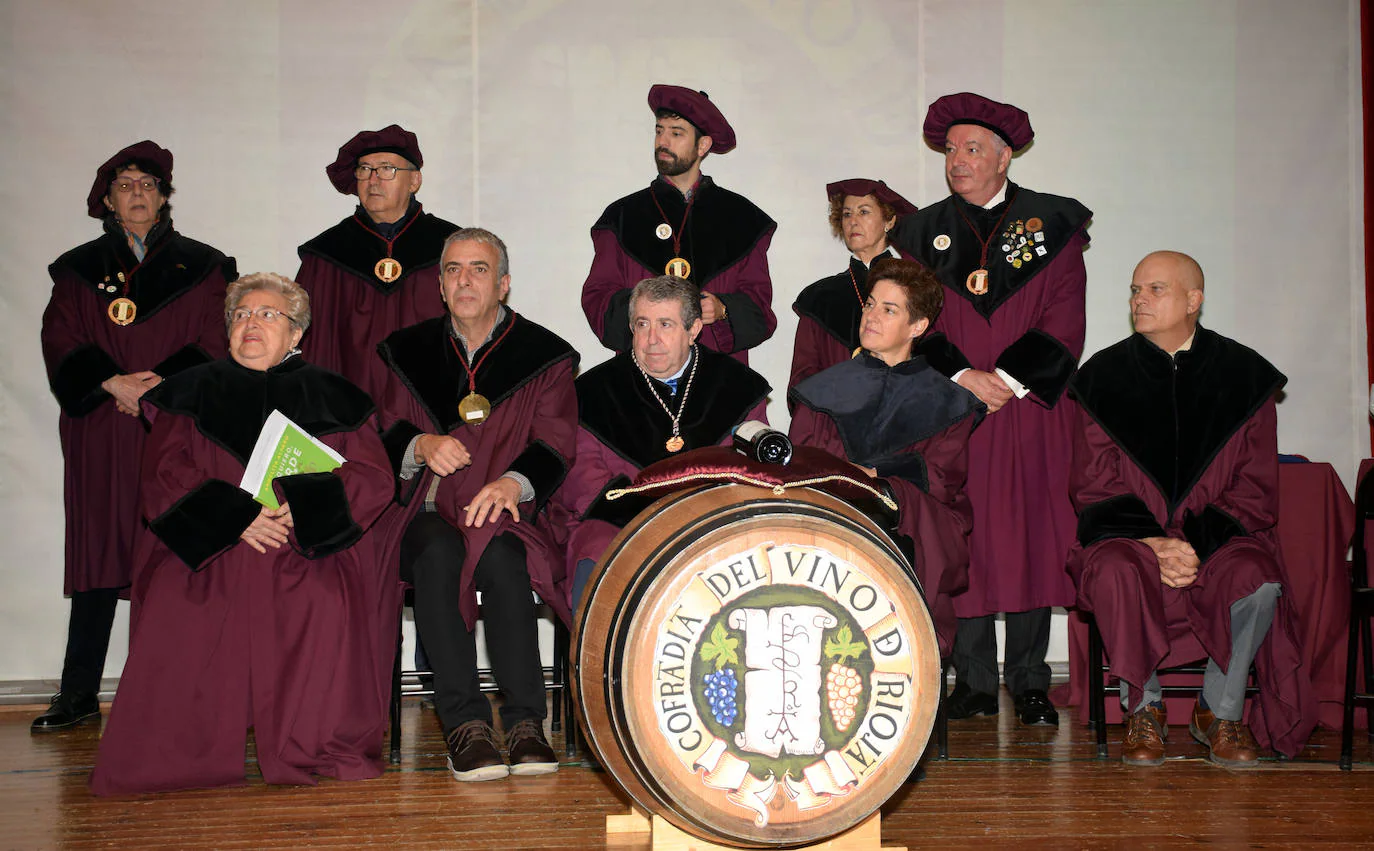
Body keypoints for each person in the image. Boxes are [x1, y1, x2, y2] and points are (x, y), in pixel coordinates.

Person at [89, 273, 397, 794]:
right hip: (212, 546)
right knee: (178, 598)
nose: (250, 322)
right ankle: (181, 753)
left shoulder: (335, 396)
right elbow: (164, 474)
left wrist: (300, 508)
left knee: (324, 598)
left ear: (297, 333)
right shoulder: (187, 391)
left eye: (267, 314)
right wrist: (235, 517)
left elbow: (373, 478)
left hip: (302, 545)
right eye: (240, 315)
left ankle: (312, 746)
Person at [888, 92, 1092, 726]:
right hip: (954, 406)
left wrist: (1006, 377)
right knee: (964, 530)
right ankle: (973, 680)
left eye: (972, 149)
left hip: (1028, 409)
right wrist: (962, 376)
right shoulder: (920, 233)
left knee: (1031, 532)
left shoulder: (1051, 225)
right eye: (951, 150)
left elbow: (1064, 315)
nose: (957, 161)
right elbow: (914, 318)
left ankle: (1030, 678)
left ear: (1005, 157)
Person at [1066, 251, 1314, 766]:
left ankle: (1220, 713)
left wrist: (1193, 545)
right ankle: (1144, 709)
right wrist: (1154, 543)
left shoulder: (1244, 376)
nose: (1139, 299)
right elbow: (1093, 482)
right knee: (1114, 568)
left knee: (1258, 576)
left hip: (1216, 540)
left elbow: (1254, 486)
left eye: (1155, 289)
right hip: (1131, 538)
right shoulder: (1103, 376)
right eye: (1135, 289)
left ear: (1193, 300)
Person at [37, 141, 235, 732]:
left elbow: (216, 338)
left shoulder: (206, 266)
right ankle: (77, 695)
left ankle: (171, 693)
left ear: (165, 196)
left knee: (172, 554)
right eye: (126, 185)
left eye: (149, 184)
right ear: (107, 200)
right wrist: (110, 382)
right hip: (102, 427)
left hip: (173, 428)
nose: (138, 194)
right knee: (101, 552)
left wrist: (159, 386)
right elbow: (60, 339)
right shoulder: (76, 271)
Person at [371, 228, 578, 782]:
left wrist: (514, 482)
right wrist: (420, 446)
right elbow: (381, 430)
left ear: (503, 283)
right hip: (425, 512)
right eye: (453, 270)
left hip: (500, 512)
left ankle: (526, 721)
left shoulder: (546, 355)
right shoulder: (405, 353)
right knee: (438, 557)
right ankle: (464, 724)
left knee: (504, 562)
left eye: (479, 269)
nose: (465, 280)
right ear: (440, 285)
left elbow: (556, 441)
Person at [789, 259, 984, 656]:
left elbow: (941, 476)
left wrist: (876, 475)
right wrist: (854, 482)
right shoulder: (821, 390)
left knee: (913, 520)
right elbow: (805, 462)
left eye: (888, 309)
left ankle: (910, 660)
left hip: (912, 523)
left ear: (918, 327)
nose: (871, 316)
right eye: (871, 305)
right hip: (835, 515)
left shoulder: (949, 401)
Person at [552, 275, 771, 611]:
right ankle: (600, 661)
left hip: (707, 519)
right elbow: (581, 471)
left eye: (665, 325)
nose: (651, 339)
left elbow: (745, 466)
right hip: (617, 521)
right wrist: (647, 516)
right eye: (642, 324)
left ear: (694, 329)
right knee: (595, 554)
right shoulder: (593, 391)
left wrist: (690, 514)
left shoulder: (736, 386)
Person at [582, 84, 776, 363]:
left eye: (676, 133)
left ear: (703, 145)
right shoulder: (621, 218)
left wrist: (722, 311)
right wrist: (645, 312)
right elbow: (597, 299)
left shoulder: (742, 219)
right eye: (659, 131)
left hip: (719, 378)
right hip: (642, 379)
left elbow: (760, 310)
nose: (663, 142)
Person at [295, 124, 461, 400]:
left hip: (432, 412)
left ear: (415, 181)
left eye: (386, 169)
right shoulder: (326, 256)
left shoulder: (452, 248)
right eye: (364, 169)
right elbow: (310, 349)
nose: (373, 180)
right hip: (349, 416)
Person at [788, 179, 917, 393]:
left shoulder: (914, 288)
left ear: (889, 221)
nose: (853, 222)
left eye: (864, 212)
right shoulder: (819, 298)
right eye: (847, 214)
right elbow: (803, 378)